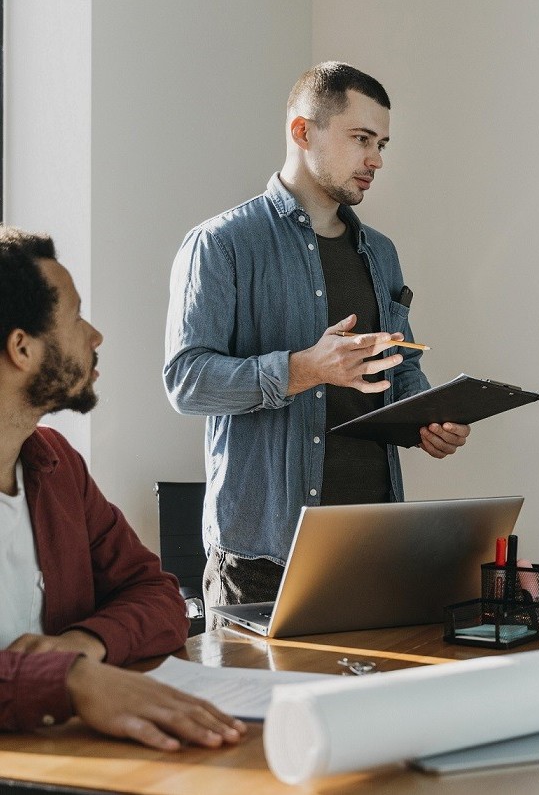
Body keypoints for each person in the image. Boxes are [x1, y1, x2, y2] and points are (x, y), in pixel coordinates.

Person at [164, 62, 469, 618]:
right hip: (262, 559)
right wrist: (304, 368)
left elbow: (397, 367)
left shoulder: (381, 253)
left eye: (381, 143)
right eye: (360, 139)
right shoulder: (222, 243)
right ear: (303, 132)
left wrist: (426, 416)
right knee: (261, 708)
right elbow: (186, 382)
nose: (375, 159)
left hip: (372, 541)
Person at [0, 227, 245, 750]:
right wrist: (67, 680)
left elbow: (157, 596)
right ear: (21, 348)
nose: (95, 336)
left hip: (68, 760)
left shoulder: (57, 466)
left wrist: (82, 645)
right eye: (74, 317)